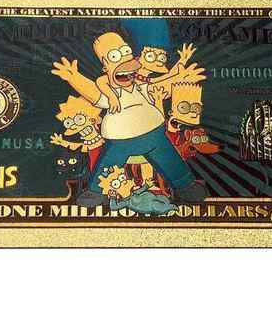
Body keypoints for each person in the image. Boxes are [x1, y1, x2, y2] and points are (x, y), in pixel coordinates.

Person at [51, 31, 207, 207]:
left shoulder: (142, 85)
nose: (125, 65)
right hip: (120, 142)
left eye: (126, 52)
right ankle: (97, 192)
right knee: (107, 164)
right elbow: (93, 92)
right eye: (115, 56)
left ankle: (186, 186)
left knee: (170, 160)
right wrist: (73, 77)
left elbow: (163, 84)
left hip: (155, 137)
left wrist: (182, 73)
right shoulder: (109, 94)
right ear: (105, 68)